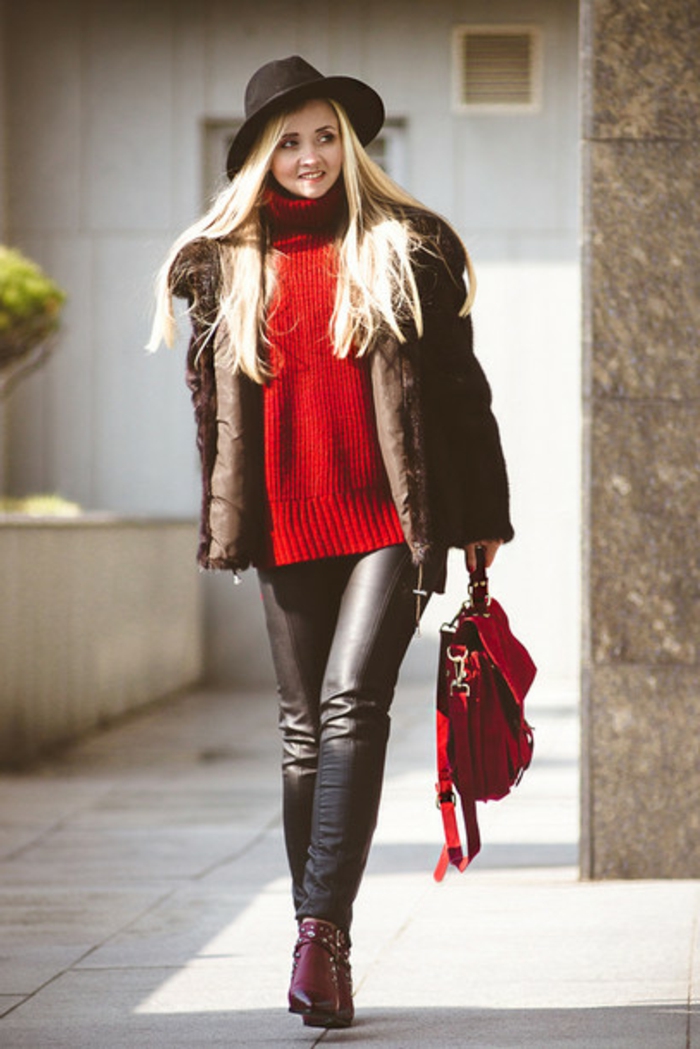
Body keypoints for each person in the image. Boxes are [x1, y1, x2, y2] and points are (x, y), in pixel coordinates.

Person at [149, 54, 513, 1030]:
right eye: (289, 141)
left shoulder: (406, 245)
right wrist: (225, 516)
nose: (309, 157)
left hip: (393, 519)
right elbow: (211, 414)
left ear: (347, 145)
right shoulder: (224, 262)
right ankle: (323, 933)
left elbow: (461, 396)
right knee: (303, 725)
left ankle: (322, 939)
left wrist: (482, 518)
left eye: (324, 137)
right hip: (286, 522)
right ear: (262, 155)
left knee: (352, 702)